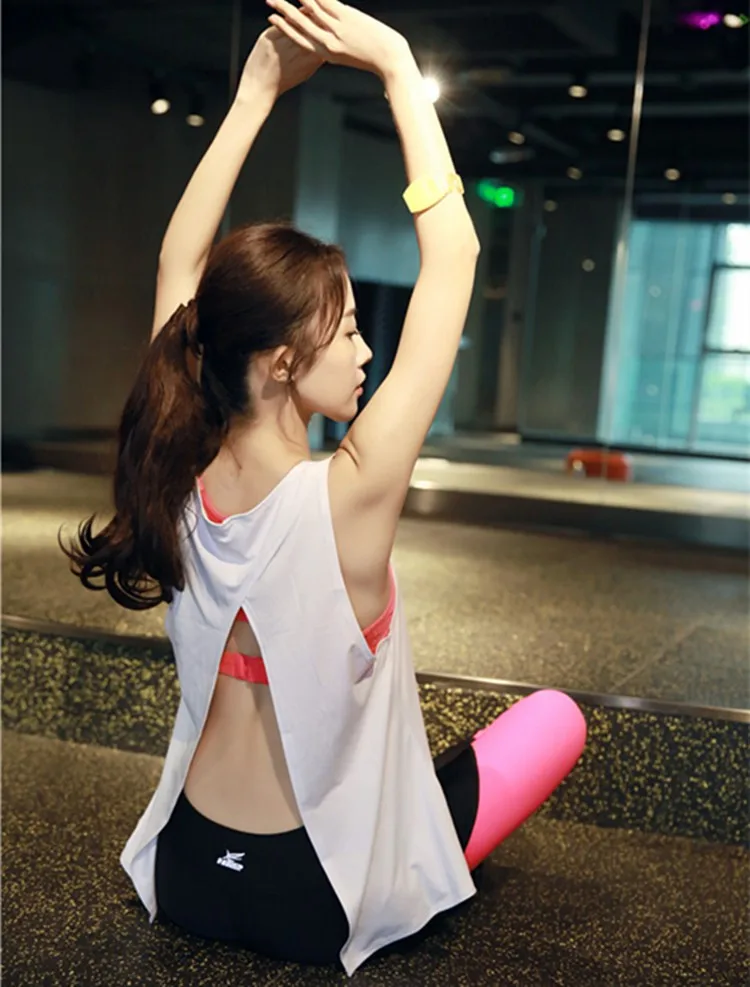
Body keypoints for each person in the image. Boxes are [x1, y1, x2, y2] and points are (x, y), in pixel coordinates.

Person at [60, 0, 587, 977]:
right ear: (279, 361)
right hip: (309, 897)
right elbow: (456, 258)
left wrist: (256, 93)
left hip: (186, 869)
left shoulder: (173, 473)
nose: (365, 348)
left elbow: (181, 263)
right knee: (556, 719)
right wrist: (395, 64)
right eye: (345, 330)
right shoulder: (349, 493)